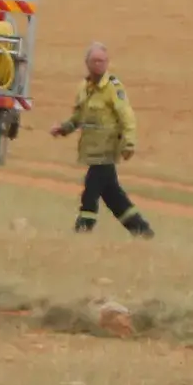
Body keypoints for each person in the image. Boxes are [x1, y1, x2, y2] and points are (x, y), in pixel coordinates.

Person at [50, 42, 152, 238]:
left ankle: (83, 227)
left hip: (106, 151)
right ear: (87, 63)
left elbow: (127, 117)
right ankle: (141, 229)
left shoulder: (113, 87)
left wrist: (129, 143)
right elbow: (79, 118)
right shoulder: (84, 88)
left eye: (103, 61)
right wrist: (63, 129)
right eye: (95, 61)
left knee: (91, 190)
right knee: (113, 196)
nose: (99, 64)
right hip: (90, 150)